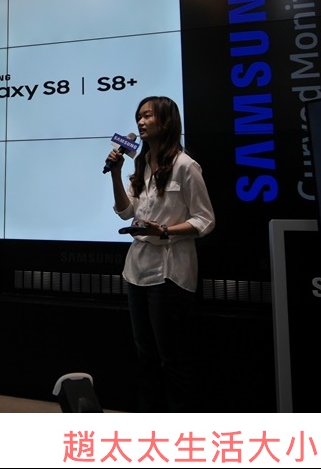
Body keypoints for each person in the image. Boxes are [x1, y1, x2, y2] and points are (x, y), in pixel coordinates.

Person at [106, 95, 215, 412]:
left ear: (166, 122)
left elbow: (205, 220)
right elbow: (126, 212)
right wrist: (116, 172)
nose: (140, 122)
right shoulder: (140, 163)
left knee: (172, 358)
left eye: (148, 116)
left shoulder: (185, 166)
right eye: (138, 117)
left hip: (170, 273)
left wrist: (164, 231)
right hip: (137, 271)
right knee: (145, 355)